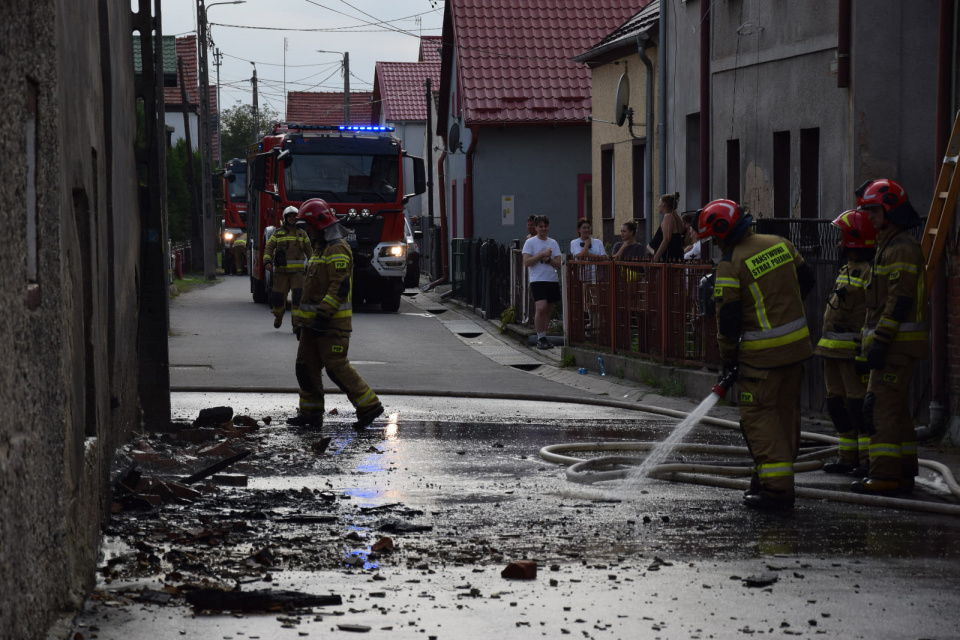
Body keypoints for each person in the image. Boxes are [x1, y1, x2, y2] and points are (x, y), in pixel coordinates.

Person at [700, 199, 815, 510]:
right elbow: (808, 280)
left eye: (714, 237)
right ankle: (765, 478)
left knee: (760, 422)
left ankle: (776, 490)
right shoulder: (781, 244)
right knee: (784, 417)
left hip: (760, 359)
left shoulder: (730, 263)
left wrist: (728, 357)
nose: (714, 243)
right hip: (796, 351)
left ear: (723, 233)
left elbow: (729, 319)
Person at [852, 179, 928, 496]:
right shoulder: (889, 244)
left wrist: (881, 341)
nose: (869, 217)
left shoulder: (901, 248)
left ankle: (883, 475)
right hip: (893, 345)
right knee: (896, 413)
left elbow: (899, 301)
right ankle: (905, 471)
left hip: (895, 346)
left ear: (889, 210)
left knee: (879, 409)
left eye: (873, 210)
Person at [288, 199, 385, 429]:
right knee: (305, 367)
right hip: (313, 326)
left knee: (336, 367)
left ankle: (369, 406)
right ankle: (310, 415)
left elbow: (339, 286)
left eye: (308, 225)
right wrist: (302, 322)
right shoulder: (320, 247)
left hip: (331, 324)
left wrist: (322, 316)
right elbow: (311, 290)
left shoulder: (337, 248)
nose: (306, 230)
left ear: (318, 223)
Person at [814, 210, 875, 476]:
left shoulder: (869, 272)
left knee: (857, 406)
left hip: (852, 354)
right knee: (837, 406)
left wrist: (865, 353)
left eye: (843, 235)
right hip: (831, 352)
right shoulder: (845, 268)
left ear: (855, 238)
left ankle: (866, 460)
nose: (838, 241)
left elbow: (871, 313)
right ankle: (846, 457)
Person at [263, 206, 313, 331]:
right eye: (289, 216)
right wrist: (267, 261)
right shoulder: (277, 233)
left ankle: (296, 325)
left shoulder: (302, 234)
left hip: (298, 274)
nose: (292, 218)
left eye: (294, 216)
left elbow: (310, 252)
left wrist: (313, 265)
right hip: (281, 273)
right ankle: (278, 316)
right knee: (278, 299)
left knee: (298, 298)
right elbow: (269, 248)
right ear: (285, 218)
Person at [522, 215, 562, 350]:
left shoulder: (553, 243)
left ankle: (544, 336)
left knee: (548, 309)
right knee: (541, 307)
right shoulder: (530, 242)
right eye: (540, 226)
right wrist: (540, 255)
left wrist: (548, 260)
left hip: (551, 278)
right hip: (537, 279)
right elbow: (527, 262)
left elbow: (559, 263)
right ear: (536, 227)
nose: (543, 229)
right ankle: (540, 337)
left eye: (545, 226)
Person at [569, 218, 606, 331]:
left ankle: (597, 322)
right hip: (583, 275)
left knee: (597, 299)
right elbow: (579, 256)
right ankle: (590, 322)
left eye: (588, 227)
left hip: (596, 275)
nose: (586, 230)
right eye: (584, 228)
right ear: (578, 230)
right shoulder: (574, 242)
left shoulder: (598, 242)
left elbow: (604, 257)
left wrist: (588, 254)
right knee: (587, 300)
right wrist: (587, 245)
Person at [648, 192, 685, 262]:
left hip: (669, 256)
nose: (658, 205)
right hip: (678, 254)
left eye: (659, 203)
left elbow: (666, 240)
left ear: (664, 204)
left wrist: (656, 257)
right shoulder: (677, 217)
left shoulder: (668, 217)